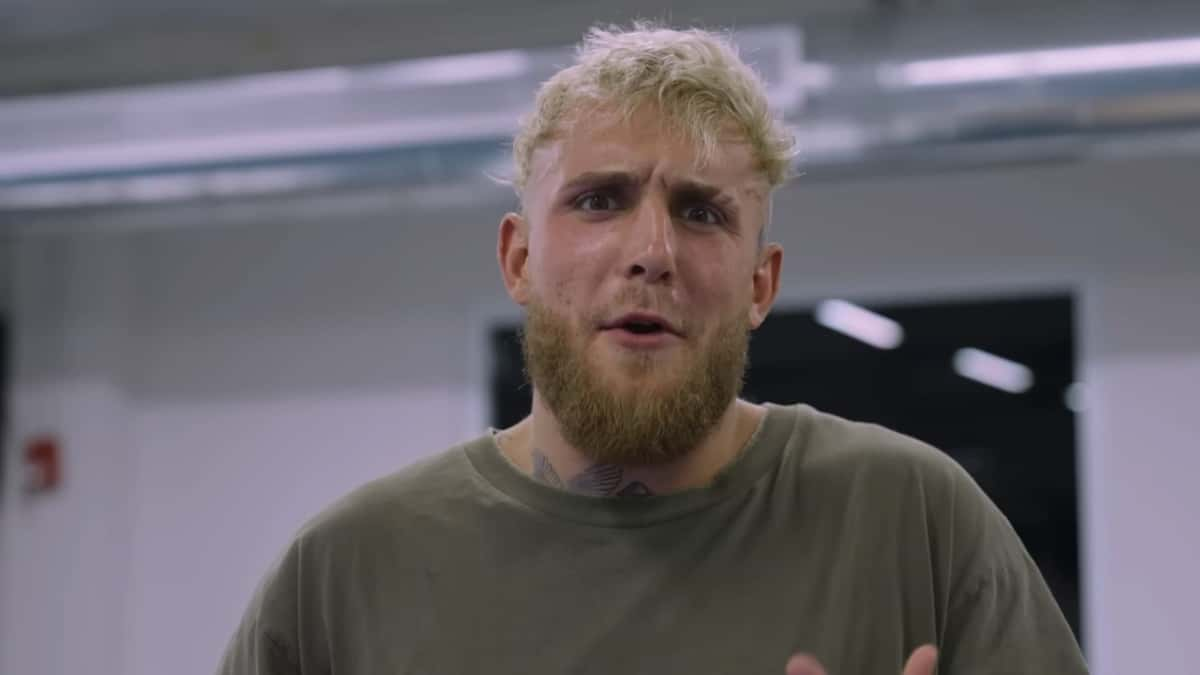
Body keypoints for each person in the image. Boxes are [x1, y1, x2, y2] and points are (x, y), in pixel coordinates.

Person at [218, 23, 1089, 675]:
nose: (652, 252)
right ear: (519, 257)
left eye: (702, 211)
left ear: (759, 284)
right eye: (600, 200)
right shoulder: (348, 573)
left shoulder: (911, 521)